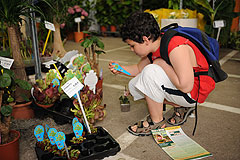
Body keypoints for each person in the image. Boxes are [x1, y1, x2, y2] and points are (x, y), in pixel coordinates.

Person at [108, 11, 215, 136]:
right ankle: (181, 106)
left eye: (132, 45)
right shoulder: (155, 45)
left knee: (150, 72)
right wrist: (120, 68)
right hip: (183, 86)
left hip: (194, 93)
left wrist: (161, 63)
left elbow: (186, 86)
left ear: (145, 39)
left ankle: (156, 122)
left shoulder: (176, 46)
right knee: (134, 86)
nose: (131, 50)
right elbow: (138, 69)